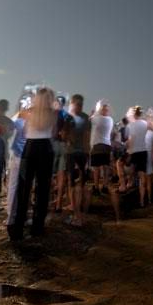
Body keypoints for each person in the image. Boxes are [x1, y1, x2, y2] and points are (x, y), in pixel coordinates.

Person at [9, 88, 59, 241]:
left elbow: (16, 125)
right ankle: (38, 227)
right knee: (42, 190)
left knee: (23, 188)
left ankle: (17, 227)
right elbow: (55, 133)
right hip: (46, 149)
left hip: (29, 149)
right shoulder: (54, 113)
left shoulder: (27, 111)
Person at [66, 94, 91, 226]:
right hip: (82, 154)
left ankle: (77, 216)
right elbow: (87, 138)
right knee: (81, 184)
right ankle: (81, 215)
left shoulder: (68, 118)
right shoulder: (86, 118)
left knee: (73, 185)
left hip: (72, 154)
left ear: (72, 103)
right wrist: (88, 155)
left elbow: (66, 137)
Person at [125, 106, 151, 207]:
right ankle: (142, 201)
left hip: (134, 152)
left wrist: (129, 152)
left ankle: (127, 194)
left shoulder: (131, 125)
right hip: (143, 151)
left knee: (130, 175)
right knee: (142, 177)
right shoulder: (145, 123)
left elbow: (132, 139)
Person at [89, 101, 114, 195]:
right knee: (105, 167)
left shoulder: (96, 118)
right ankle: (105, 186)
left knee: (96, 168)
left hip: (97, 145)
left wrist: (93, 112)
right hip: (107, 145)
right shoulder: (110, 120)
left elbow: (89, 120)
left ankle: (96, 187)